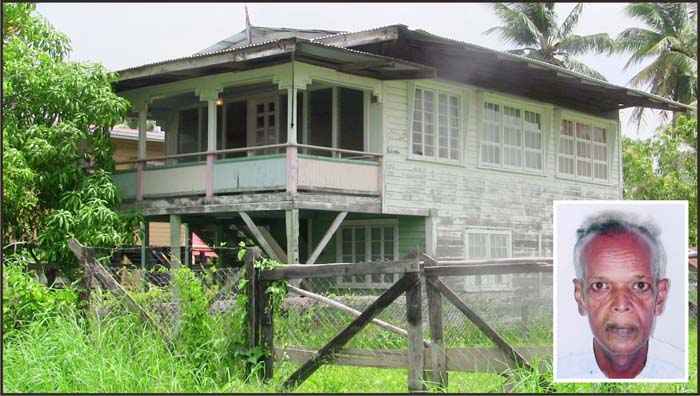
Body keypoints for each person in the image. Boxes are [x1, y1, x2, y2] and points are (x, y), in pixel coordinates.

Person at [557, 210, 684, 380]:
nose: (622, 304)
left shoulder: (683, 373)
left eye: (639, 286)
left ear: (659, 297)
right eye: (600, 286)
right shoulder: (557, 374)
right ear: (581, 297)